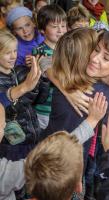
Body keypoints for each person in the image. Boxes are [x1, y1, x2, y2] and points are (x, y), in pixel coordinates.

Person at [0, 29, 43, 160]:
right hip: (12, 143)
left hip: (31, 136)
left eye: (15, 50)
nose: (13, 56)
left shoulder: (17, 71)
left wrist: (40, 75)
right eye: (8, 52)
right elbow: (6, 104)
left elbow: (38, 99)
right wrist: (25, 87)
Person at [32, 4, 67, 129]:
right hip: (44, 109)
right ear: (42, 30)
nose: (60, 30)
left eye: (63, 26)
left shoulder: (65, 49)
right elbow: (52, 72)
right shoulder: (40, 50)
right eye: (54, 26)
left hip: (61, 105)